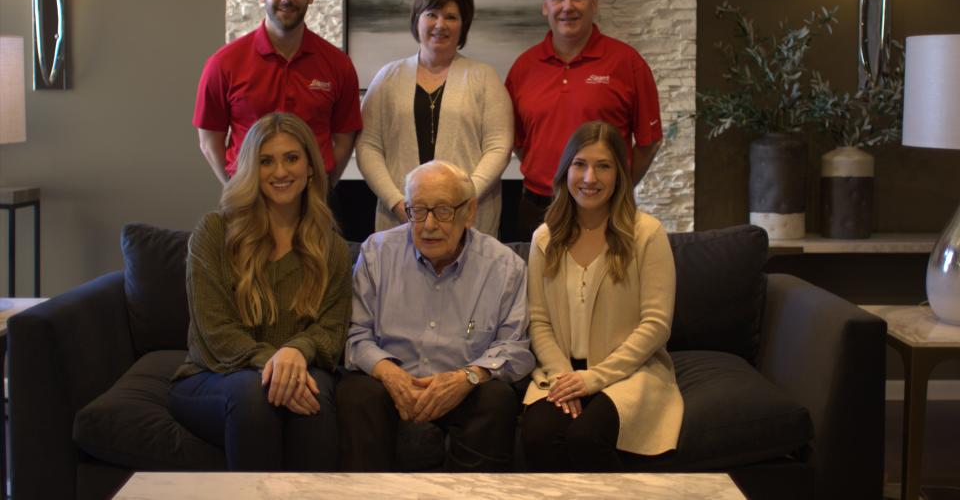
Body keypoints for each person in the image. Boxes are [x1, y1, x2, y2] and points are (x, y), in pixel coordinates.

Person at [170, 112, 353, 471]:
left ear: (311, 167)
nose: (280, 172)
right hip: (213, 377)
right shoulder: (215, 232)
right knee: (255, 394)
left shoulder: (331, 246)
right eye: (266, 161)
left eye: (291, 158)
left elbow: (332, 329)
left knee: (312, 396)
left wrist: (297, 351)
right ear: (251, 169)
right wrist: (276, 362)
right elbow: (215, 331)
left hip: (301, 372)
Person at [338, 160, 534, 471]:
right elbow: (355, 333)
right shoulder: (376, 254)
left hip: (463, 386)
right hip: (391, 384)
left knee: (496, 398)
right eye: (418, 210)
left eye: (443, 211)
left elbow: (514, 347)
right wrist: (388, 372)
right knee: (357, 392)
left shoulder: (505, 266)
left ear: (469, 212)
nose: (429, 225)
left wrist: (468, 377)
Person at [521, 121, 682, 471]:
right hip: (561, 372)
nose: (589, 178)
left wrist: (592, 379)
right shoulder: (544, 239)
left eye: (603, 166)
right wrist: (566, 378)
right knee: (537, 435)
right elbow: (539, 321)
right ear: (566, 171)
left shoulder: (647, 234)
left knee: (586, 437)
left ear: (620, 175)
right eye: (580, 164)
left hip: (628, 371)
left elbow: (655, 325)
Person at [505, 0, 663, 241]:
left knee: (608, 284)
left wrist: (615, 187)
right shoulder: (523, 68)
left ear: (594, 3)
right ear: (545, 6)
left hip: (605, 209)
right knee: (536, 285)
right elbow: (517, 139)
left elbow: (649, 142)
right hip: (538, 208)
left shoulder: (627, 63)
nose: (568, 7)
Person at [356, 0, 512, 236]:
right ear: (417, 19)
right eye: (431, 14)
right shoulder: (387, 77)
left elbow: (499, 145)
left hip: (467, 218)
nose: (440, 25)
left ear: (464, 26)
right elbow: (368, 145)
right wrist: (397, 202)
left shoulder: (484, 78)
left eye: (451, 17)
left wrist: (462, 199)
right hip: (400, 219)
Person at [193, 0, 362, 186]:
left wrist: (322, 189)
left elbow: (345, 137)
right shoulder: (223, 64)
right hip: (248, 198)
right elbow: (209, 140)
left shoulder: (338, 65)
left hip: (313, 200)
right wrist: (236, 190)